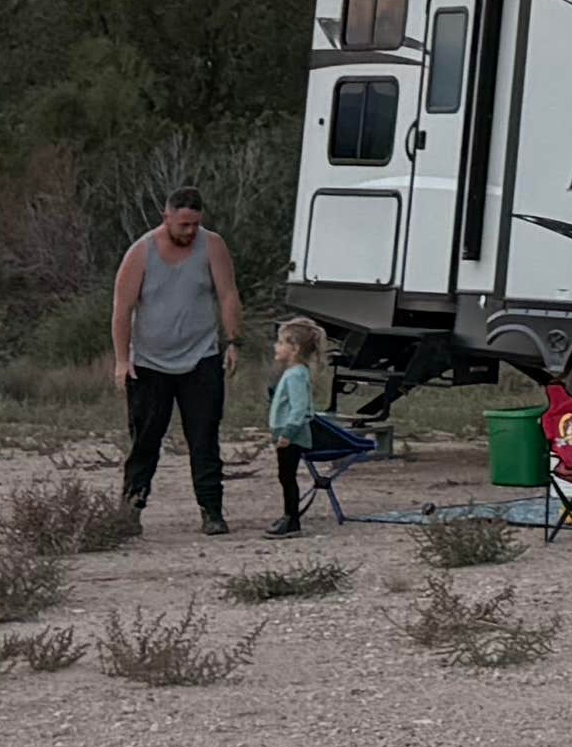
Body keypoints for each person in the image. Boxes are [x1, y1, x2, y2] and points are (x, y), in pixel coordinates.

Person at [104, 186, 242, 532]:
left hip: (201, 358)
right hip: (150, 364)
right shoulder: (140, 252)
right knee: (145, 440)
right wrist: (122, 361)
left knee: (204, 437)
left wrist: (233, 340)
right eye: (183, 225)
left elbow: (227, 295)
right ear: (166, 218)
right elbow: (122, 310)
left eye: (195, 224)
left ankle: (211, 511)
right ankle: (131, 510)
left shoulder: (213, 246)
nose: (190, 231)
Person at [263, 314, 388, 534]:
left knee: (287, 476)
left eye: (282, 342)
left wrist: (288, 433)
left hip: (292, 434)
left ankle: (291, 519)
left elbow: (299, 409)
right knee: (285, 475)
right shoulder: (295, 373)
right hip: (286, 432)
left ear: (295, 348)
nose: (277, 346)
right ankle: (289, 516)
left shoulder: (295, 376)